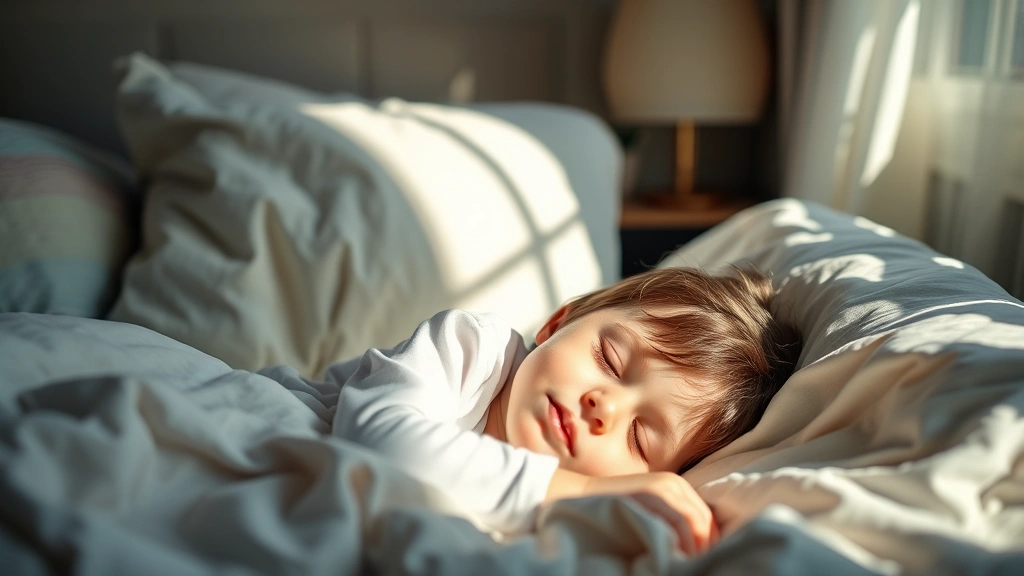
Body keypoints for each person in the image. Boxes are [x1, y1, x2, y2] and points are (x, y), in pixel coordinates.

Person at [265, 266, 800, 554]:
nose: (604, 407)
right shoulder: (475, 349)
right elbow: (381, 441)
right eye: (609, 359)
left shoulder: (560, 524)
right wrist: (584, 488)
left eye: (640, 436)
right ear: (557, 323)